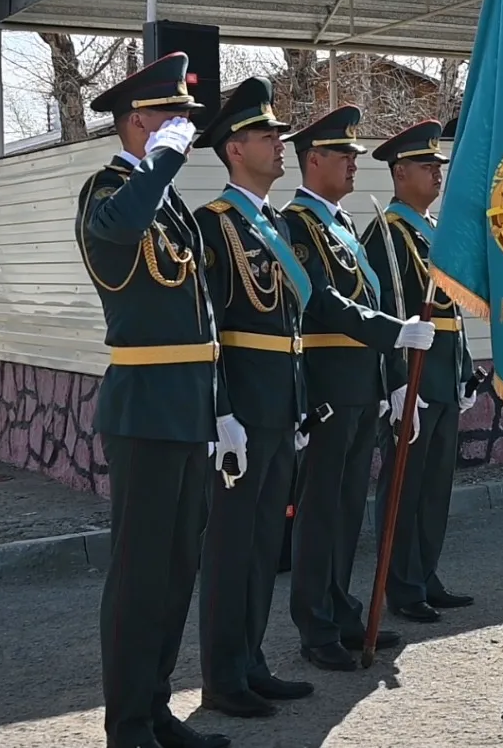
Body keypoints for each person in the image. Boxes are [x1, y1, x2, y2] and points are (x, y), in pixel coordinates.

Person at [78, 53, 230, 748]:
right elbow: (114, 232)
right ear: (137, 122)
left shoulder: (167, 203)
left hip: (189, 405)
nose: (185, 131)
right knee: (139, 573)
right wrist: (159, 164)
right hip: (143, 406)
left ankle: (156, 708)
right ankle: (126, 724)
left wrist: (220, 408)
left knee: (176, 571)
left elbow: (200, 318)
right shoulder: (109, 192)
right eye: (173, 118)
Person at [281, 105, 437, 669]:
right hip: (327, 385)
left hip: (360, 384)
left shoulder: (343, 223)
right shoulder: (294, 225)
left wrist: (392, 381)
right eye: (342, 154)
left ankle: (339, 607)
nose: (353, 163)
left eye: (352, 154)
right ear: (313, 160)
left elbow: (368, 300)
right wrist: (395, 333)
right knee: (320, 510)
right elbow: (324, 303)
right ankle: (314, 626)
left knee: (346, 509)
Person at [192, 77, 313, 719]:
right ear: (235, 150)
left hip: (278, 409)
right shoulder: (212, 226)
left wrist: (297, 406)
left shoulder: (273, 223)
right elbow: (206, 326)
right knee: (231, 546)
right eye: (268, 135)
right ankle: (221, 677)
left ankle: (253, 660)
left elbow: (290, 326)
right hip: (241, 411)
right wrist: (221, 412)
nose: (279, 144)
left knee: (266, 546)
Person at [360, 120, 479, 624]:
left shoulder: (432, 231)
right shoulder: (385, 233)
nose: (436, 175)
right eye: (427, 167)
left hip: (444, 369)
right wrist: (395, 379)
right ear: (400, 171)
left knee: (435, 485)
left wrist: (466, 369)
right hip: (414, 371)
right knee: (405, 484)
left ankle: (425, 574)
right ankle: (401, 585)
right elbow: (386, 312)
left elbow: (451, 308)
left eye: (438, 167)